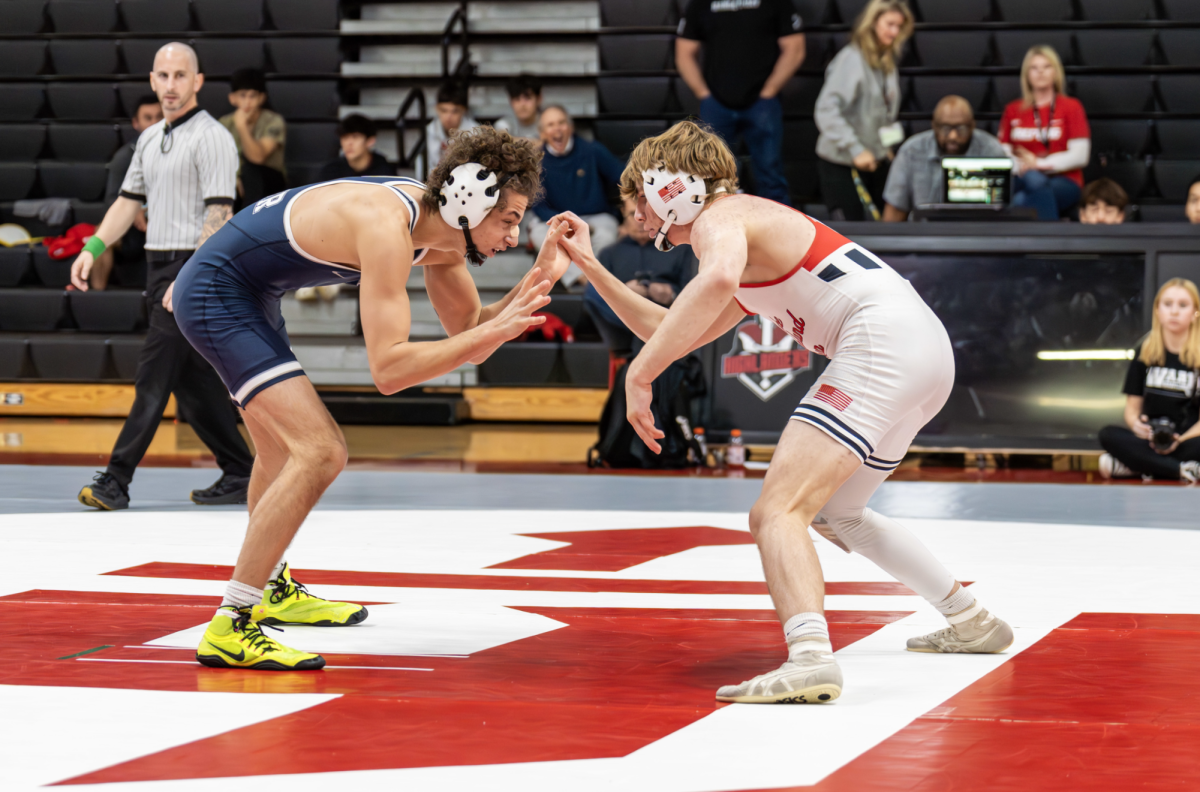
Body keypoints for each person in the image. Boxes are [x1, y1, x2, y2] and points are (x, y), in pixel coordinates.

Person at [555, 120, 1012, 704]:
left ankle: (809, 658)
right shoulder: (742, 233)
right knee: (839, 512)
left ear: (670, 186)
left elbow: (711, 280)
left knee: (776, 511)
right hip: (923, 352)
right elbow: (666, 327)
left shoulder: (724, 218)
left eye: (641, 198)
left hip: (883, 343)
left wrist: (640, 375)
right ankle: (971, 619)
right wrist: (592, 266)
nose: (640, 217)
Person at [168, 127, 576, 670]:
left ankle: (270, 587)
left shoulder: (442, 234)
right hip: (216, 292)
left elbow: (473, 335)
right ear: (469, 199)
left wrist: (541, 275)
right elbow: (389, 370)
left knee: (284, 453)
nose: (512, 235)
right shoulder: (387, 226)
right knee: (320, 451)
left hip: (249, 292)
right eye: (506, 220)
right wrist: (485, 335)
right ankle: (231, 624)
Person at [70, 42, 255, 511]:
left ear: (197, 82)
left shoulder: (212, 137)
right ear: (152, 81)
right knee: (192, 388)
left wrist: (190, 278)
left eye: (180, 76)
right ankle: (241, 472)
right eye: (163, 76)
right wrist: (93, 247)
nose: (171, 85)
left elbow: (220, 215)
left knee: (153, 376)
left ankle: (116, 479)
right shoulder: (150, 139)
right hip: (159, 267)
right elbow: (127, 203)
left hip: (192, 267)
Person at [676, 0, 804, 205]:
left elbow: (795, 48)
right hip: (716, 103)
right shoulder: (700, 3)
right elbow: (684, 53)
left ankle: (778, 232)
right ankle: (714, 232)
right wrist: (703, 93)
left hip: (762, 103)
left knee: (771, 175)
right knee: (711, 179)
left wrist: (770, 90)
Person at [815, 0, 914, 221]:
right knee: (852, 231)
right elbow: (826, 110)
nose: (895, 32)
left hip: (874, 157)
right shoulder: (852, 60)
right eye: (890, 24)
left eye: (899, 26)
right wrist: (855, 148)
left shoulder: (885, 59)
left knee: (892, 217)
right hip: (842, 160)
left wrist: (888, 145)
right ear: (873, 22)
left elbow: (886, 112)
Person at [1099, 278, 1200, 483]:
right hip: (1150, 440)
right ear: (1157, 310)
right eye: (1168, 304)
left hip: (1187, 439)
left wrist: (1179, 439)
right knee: (1108, 434)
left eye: (1182, 305)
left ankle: (1137, 466)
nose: (1174, 311)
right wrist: (1137, 426)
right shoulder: (1144, 350)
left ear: (1195, 313)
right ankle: (1180, 470)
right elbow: (1132, 409)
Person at [584, 195, 697, 355]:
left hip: (667, 316)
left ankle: (651, 332)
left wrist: (671, 293)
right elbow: (598, 301)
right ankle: (648, 331)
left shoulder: (681, 249)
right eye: (633, 215)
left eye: (646, 215)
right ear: (623, 213)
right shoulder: (610, 254)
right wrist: (622, 292)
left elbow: (693, 292)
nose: (639, 220)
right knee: (592, 293)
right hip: (624, 325)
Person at [530, 104, 625, 288]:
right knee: (538, 235)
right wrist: (564, 224)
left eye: (561, 123)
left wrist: (629, 214)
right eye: (550, 125)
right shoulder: (537, 161)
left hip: (595, 218)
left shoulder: (591, 150)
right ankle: (585, 282)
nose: (557, 129)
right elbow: (538, 205)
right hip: (557, 219)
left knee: (606, 236)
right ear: (542, 133)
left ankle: (595, 280)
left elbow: (623, 176)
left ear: (571, 127)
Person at [999, 45, 1091, 221]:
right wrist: (1021, 166)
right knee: (1031, 182)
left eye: (1046, 67)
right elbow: (1002, 152)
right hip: (1021, 177)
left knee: (1023, 197)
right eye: (1034, 68)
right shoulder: (1012, 110)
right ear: (1026, 74)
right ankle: (1050, 245)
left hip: (1064, 181)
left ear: (1055, 72)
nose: (1040, 72)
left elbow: (1081, 155)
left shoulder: (1071, 107)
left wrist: (1039, 164)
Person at [882, 95, 1005, 221]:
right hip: (924, 234)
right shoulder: (911, 151)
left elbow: (999, 214)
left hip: (977, 233)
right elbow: (895, 211)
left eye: (960, 128)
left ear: (972, 126)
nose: (953, 136)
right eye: (945, 128)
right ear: (934, 126)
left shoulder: (992, 151)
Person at [89, 93, 163, 290]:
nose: (155, 123)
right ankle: (97, 297)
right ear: (136, 123)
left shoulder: (181, 151)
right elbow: (112, 201)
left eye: (159, 117)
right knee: (100, 233)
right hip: (132, 229)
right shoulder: (123, 158)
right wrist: (135, 209)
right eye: (148, 118)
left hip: (169, 224)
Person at [219, 68, 287, 207]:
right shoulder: (223, 123)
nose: (247, 102)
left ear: (262, 98)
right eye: (242, 95)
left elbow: (258, 157)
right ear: (232, 98)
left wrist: (242, 127)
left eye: (252, 96)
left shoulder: (273, 121)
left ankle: (250, 225)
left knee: (251, 172)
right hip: (235, 185)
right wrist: (235, 176)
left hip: (270, 183)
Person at [319, 114, 394, 181]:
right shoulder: (331, 171)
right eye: (345, 138)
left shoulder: (385, 173)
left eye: (355, 137)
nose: (349, 143)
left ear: (370, 141)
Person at [426, 79, 478, 172]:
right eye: (444, 110)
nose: (448, 117)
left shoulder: (475, 133)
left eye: (455, 111)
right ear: (437, 109)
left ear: (464, 111)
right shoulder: (429, 131)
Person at [494, 74, 542, 141]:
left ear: (539, 99)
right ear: (510, 101)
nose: (522, 104)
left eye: (527, 98)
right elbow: (502, 138)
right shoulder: (504, 123)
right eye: (517, 99)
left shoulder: (548, 123)